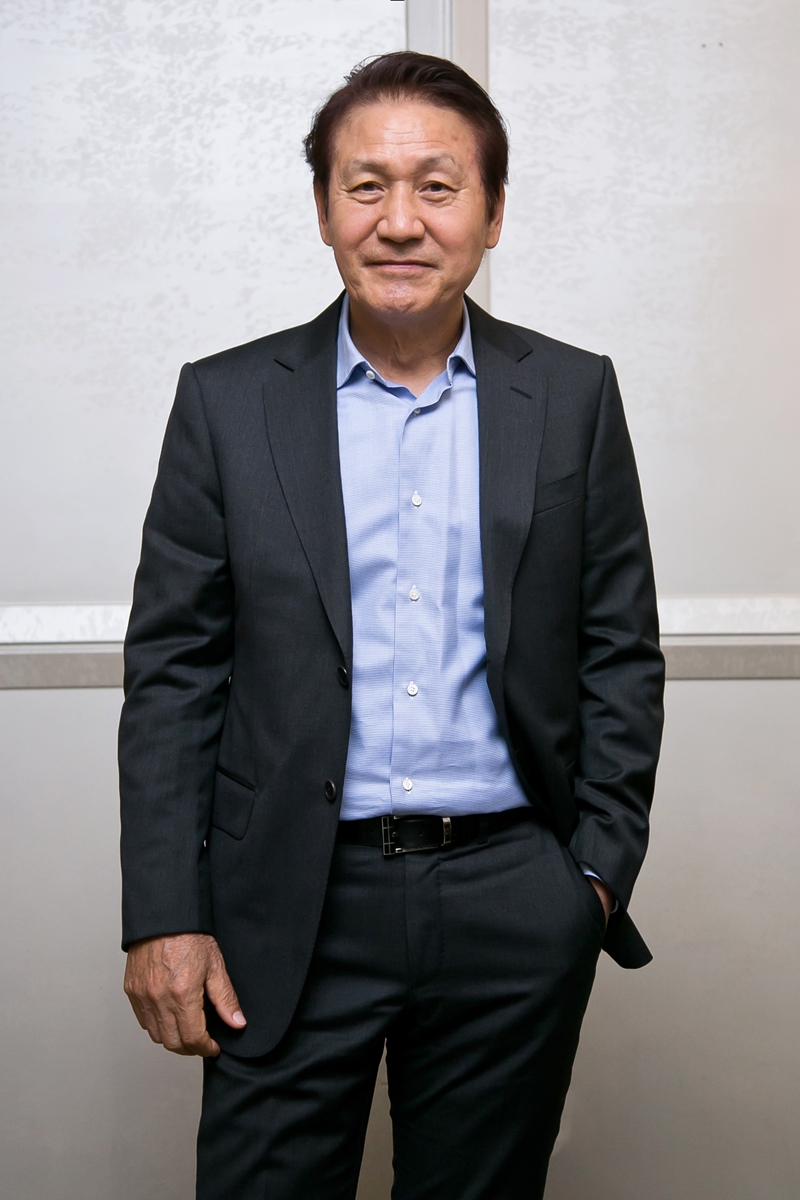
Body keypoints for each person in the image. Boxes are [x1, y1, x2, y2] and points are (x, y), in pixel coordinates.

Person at [119, 51, 665, 1200]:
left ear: (491, 214)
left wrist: (589, 879)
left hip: (511, 896)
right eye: (365, 186)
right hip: (286, 902)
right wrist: (166, 914)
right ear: (324, 210)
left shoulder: (570, 396)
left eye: (437, 186)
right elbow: (175, 672)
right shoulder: (227, 402)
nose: (400, 221)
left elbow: (617, 647)